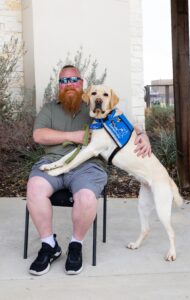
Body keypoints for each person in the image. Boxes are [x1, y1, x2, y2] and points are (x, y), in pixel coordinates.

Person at [26, 64, 151, 276]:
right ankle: (49, 246)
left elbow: (125, 124)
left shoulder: (95, 105)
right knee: (35, 188)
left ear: (82, 84)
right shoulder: (50, 108)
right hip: (52, 161)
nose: (69, 85)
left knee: (86, 198)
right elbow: (38, 136)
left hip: (88, 166)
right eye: (64, 81)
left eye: (73, 80)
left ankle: (76, 245)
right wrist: (73, 136)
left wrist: (143, 134)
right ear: (59, 86)